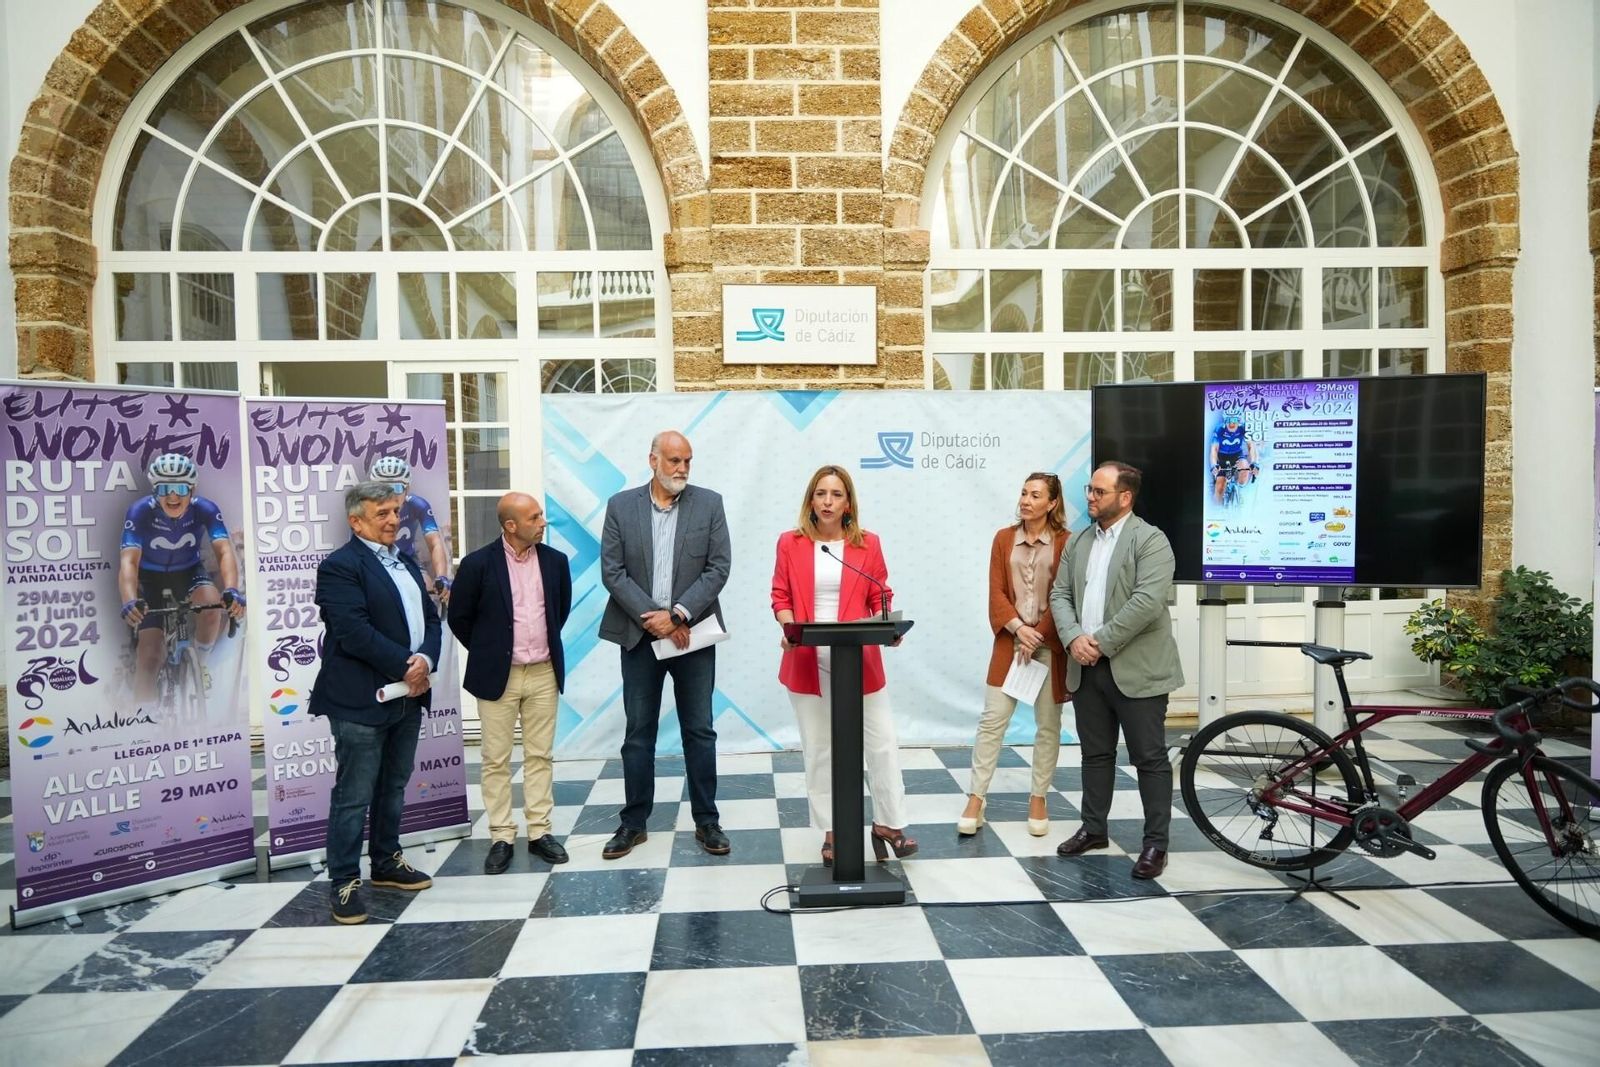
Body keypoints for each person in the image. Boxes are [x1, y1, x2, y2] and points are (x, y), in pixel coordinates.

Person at [310, 481, 442, 923]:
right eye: (382, 513)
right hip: (360, 701)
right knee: (353, 795)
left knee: (393, 787)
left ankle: (385, 862)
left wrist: (425, 659)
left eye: (395, 511)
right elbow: (352, 631)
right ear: (356, 520)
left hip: (408, 694)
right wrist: (407, 665)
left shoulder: (403, 560)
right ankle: (344, 881)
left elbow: (430, 619)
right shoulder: (339, 567)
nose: (393, 520)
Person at [771, 465, 916, 867]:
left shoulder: (868, 544)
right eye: (821, 494)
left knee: (883, 742)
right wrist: (789, 628)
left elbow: (880, 595)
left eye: (836, 494)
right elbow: (780, 596)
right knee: (820, 751)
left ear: (848, 502)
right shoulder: (791, 543)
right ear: (811, 501)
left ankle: (888, 823)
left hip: (858, 661)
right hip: (807, 660)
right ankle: (833, 830)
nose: (828, 501)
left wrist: (887, 627)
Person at [597, 430, 732, 860]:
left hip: (691, 634)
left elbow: (718, 567)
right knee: (639, 733)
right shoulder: (621, 506)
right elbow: (613, 572)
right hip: (639, 636)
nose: (682, 469)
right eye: (674, 461)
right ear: (652, 460)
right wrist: (654, 620)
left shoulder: (709, 503)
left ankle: (707, 822)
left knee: (700, 730)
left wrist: (677, 615)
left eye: (688, 461)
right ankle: (633, 823)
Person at [1049, 461, 1183, 879]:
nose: (1089, 497)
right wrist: (1074, 639)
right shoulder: (1079, 541)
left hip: (1136, 669)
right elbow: (1060, 593)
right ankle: (1094, 829)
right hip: (1086, 667)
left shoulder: (1152, 541)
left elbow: (1146, 602)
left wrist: (1099, 643)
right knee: (1095, 755)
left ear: (1124, 497)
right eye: (1089, 490)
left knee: (1150, 758)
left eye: (1098, 491)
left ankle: (1155, 844)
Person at [449, 492, 572, 873]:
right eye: (535, 517)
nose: (543, 522)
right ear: (511, 526)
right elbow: (459, 618)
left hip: (543, 673)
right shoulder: (477, 564)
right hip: (496, 677)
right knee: (495, 759)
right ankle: (502, 835)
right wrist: (492, 652)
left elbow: (559, 611)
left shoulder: (555, 562)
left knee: (539, 756)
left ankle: (540, 833)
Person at [958, 473, 1071, 837]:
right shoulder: (1004, 539)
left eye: (1035, 495)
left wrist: (1038, 633)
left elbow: (1065, 597)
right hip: (1011, 641)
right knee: (992, 721)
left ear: (1051, 503)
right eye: (1023, 492)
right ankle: (977, 798)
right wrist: (1020, 630)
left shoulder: (1067, 543)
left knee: (1048, 725)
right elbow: (995, 593)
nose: (1025, 500)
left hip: (1049, 645)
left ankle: (1038, 797)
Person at [119, 453, 246, 705]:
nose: (173, 496)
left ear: (192, 489)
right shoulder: (140, 510)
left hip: (187, 572)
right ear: (155, 490)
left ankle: (200, 665)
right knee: (150, 656)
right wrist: (129, 600)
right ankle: (143, 720)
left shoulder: (205, 509)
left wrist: (231, 589)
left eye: (180, 488)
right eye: (165, 488)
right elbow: (129, 561)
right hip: (149, 578)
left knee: (212, 607)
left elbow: (223, 551)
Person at [369, 456, 452, 604]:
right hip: (374, 561)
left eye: (396, 488)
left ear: (407, 488)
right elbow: (355, 551)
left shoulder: (417, 505)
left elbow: (435, 542)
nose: (390, 495)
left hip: (407, 558)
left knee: (427, 590)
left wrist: (441, 577)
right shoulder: (363, 509)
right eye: (383, 488)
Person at [1210, 410, 1257, 505]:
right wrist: (1214, 464)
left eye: (1235, 419)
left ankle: (1240, 492)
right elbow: (1214, 449)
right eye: (1228, 420)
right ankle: (1216, 512)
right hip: (1221, 457)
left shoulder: (1243, 428)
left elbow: (1251, 446)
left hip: (1237, 455)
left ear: (1239, 421)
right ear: (1225, 421)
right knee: (1219, 489)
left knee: (1245, 468)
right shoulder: (1219, 429)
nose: (1232, 423)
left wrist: (1254, 462)